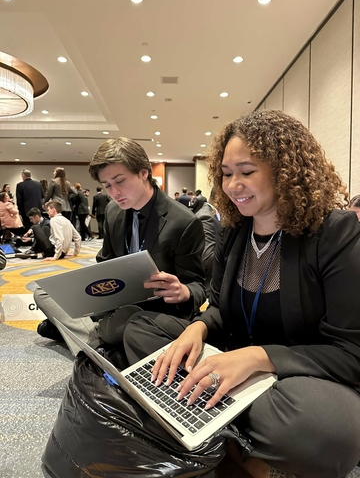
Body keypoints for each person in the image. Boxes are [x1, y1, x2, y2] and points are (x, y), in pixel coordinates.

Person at [122, 110, 360, 478]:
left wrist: (259, 357)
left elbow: (350, 354)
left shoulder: (334, 234)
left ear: (286, 171)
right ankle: (235, 437)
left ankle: (206, 420)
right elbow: (218, 307)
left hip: (298, 378)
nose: (233, 185)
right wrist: (197, 329)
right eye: (227, 173)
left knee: (334, 433)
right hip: (233, 363)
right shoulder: (234, 231)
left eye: (247, 172)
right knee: (140, 329)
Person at [35, 137, 206, 355]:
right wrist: (84, 289)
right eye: (107, 185)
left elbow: (199, 285)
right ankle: (94, 340)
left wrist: (183, 291)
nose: (114, 193)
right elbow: (104, 262)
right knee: (44, 292)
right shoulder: (114, 212)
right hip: (113, 299)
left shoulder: (183, 222)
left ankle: (82, 336)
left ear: (144, 173)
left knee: (129, 321)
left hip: (150, 312)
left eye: (120, 181)